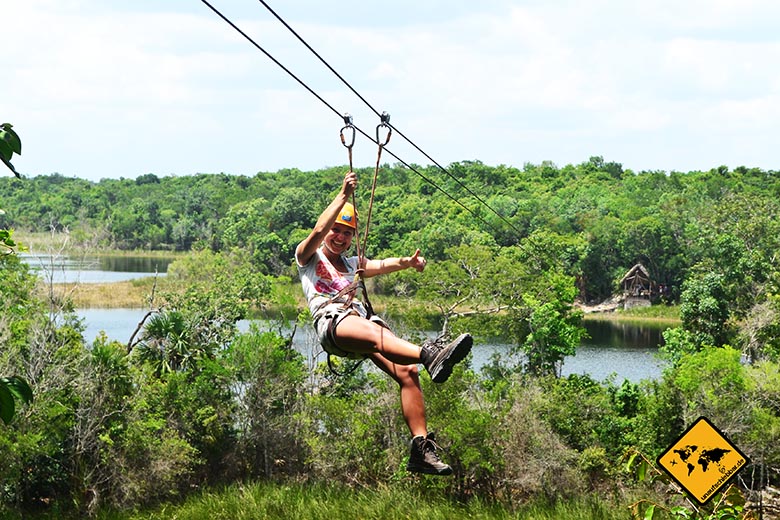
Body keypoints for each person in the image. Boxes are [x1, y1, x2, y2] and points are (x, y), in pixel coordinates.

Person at [295, 170, 473, 476]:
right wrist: (343, 196)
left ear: (352, 238)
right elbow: (316, 230)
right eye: (336, 230)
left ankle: (421, 451)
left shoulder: (353, 264)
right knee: (376, 334)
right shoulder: (308, 258)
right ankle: (431, 353)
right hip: (334, 323)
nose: (339, 237)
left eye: (346, 233)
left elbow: (380, 265)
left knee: (407, 372)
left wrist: (407, 262)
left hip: (359, 324)